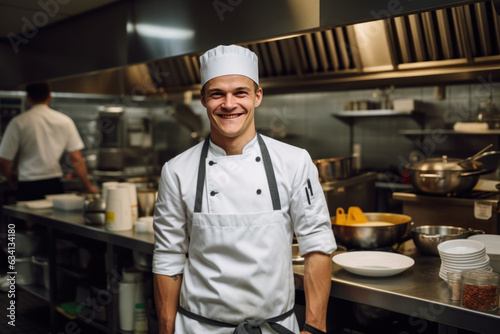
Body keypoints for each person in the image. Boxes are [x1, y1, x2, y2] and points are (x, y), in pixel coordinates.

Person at [153, 45, 336, 334]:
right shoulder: (176, 170)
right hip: (198, 328)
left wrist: (315, 327)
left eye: (240, 92)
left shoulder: (294, 161)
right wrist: (166, 329)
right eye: (217, 94)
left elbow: (317, 243)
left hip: (274, 328)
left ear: (257, 96)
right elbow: (168, 255)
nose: (229, 104)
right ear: (203, 99)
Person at [0, 82, 98, 200]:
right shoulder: (64, 121)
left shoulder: (18, 122)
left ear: (28, 98)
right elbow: (76, 157)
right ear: (49, 97)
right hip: (53, 183)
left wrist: (12, 181)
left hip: (27, 184)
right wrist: (87, 186)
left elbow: (3, 161)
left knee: (29, 216)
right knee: (53, 217)